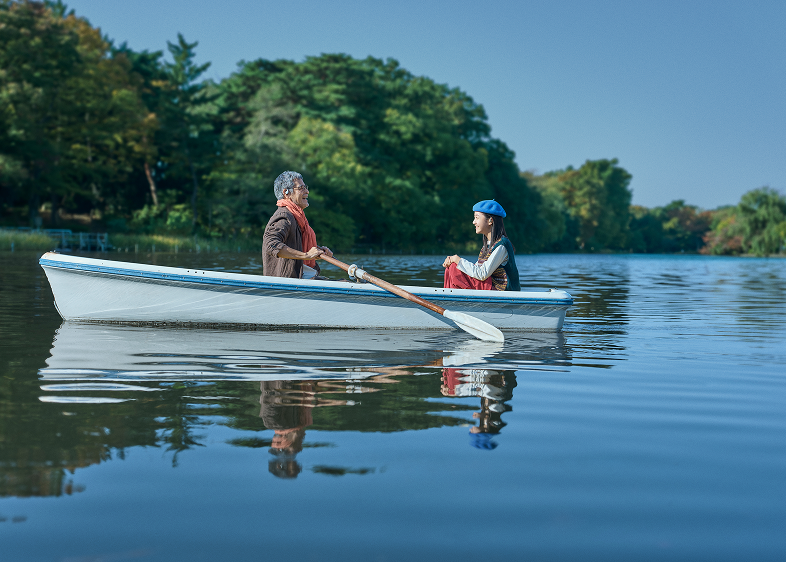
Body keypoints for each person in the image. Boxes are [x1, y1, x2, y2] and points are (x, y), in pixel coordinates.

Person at [263, 171, 333, 279]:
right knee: (344, 283)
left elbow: (294, 244)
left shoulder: (297, 218)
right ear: (286, 192)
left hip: (300, 278)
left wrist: (317, 251)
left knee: (344, 282)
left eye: (306, 187)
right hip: (285, 285)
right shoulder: (284, 216)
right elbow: (270, 245)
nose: (307, 191)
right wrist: (307, 255)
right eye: (301, 188)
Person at [442, 200, 520, 291]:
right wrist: (453, 261)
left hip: (504, 293)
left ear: (490, 220)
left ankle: (456, 299)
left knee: (455, 266)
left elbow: (482, 274)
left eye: (477, 218)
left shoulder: (502, 245)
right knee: (452, 267)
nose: (473, 222)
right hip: (490, 289)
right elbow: (476, 270)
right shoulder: (487, 245)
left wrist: (457, 259)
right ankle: (452, 296)